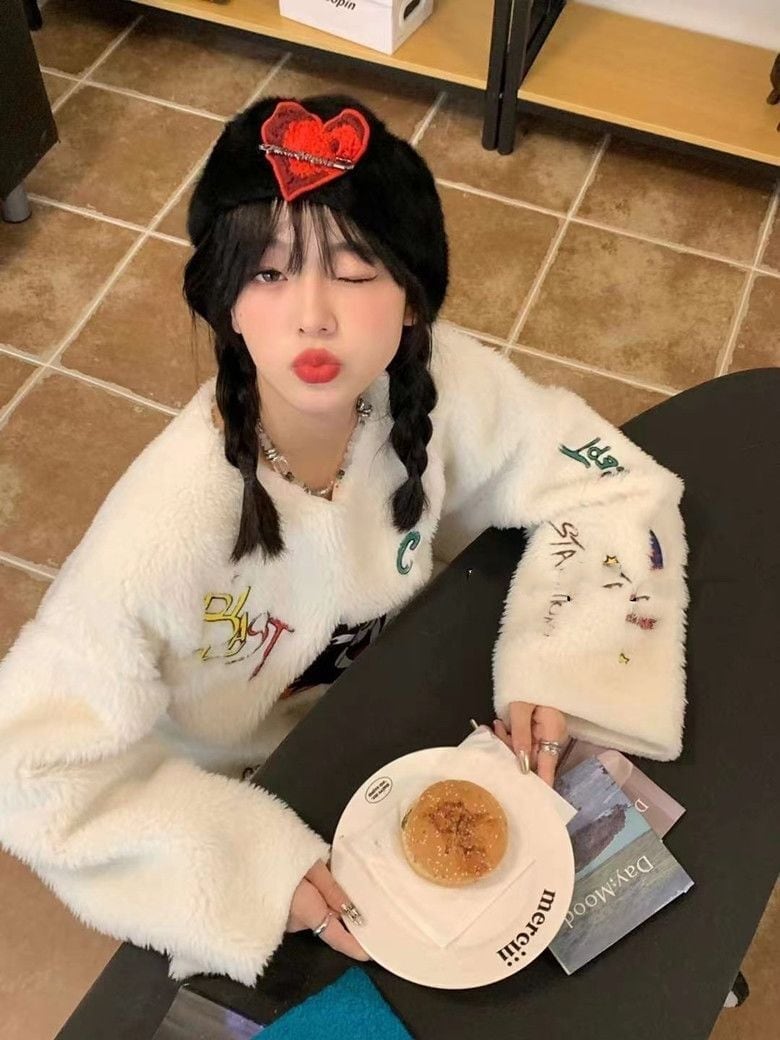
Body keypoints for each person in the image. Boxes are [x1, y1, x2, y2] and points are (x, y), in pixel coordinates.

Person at [0, 94, 688, 985]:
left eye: (355, 269)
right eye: (269, 272)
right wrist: (248, 870)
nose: (313, 315)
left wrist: (564, 666)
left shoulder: (435, 383)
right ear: (225, 301)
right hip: (257, 782)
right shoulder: (159, 533)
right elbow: (28, 768)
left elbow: (608, 483)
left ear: (412, 299)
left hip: (410, 708)